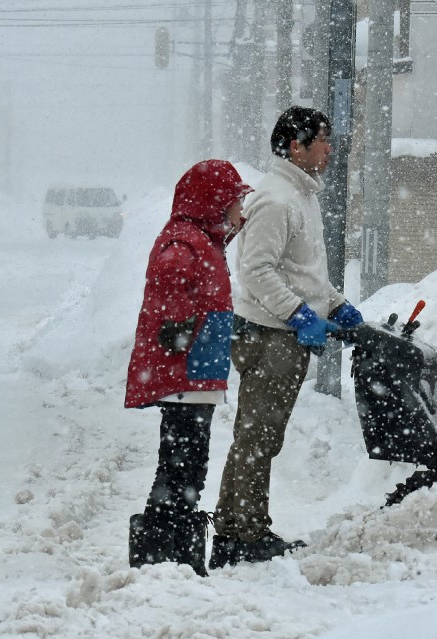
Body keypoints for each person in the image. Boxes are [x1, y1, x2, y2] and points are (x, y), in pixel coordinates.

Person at [210, 106, 363, 569]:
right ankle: (244, 534)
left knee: (256, 436)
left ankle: (235, 527)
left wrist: (334, 304)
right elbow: (256, 270)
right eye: (321, 140)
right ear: (295, 146)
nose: (329, 149)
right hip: (269, 334)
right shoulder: (277, 199)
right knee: (258, 437)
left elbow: (303, 272)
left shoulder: (300, 196)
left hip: (283, 332)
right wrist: (299, 314)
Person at [125, 159, 251, 577]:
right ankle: (165, 541)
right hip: (186, 372)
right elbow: (170, 274)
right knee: (182, 460)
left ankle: (172, 535)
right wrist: (178, 325)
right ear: (215, 202)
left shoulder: (202, 238)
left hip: (197, 372)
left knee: (189, 460)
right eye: (236, 201)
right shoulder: (185, 239)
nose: (241, 210)